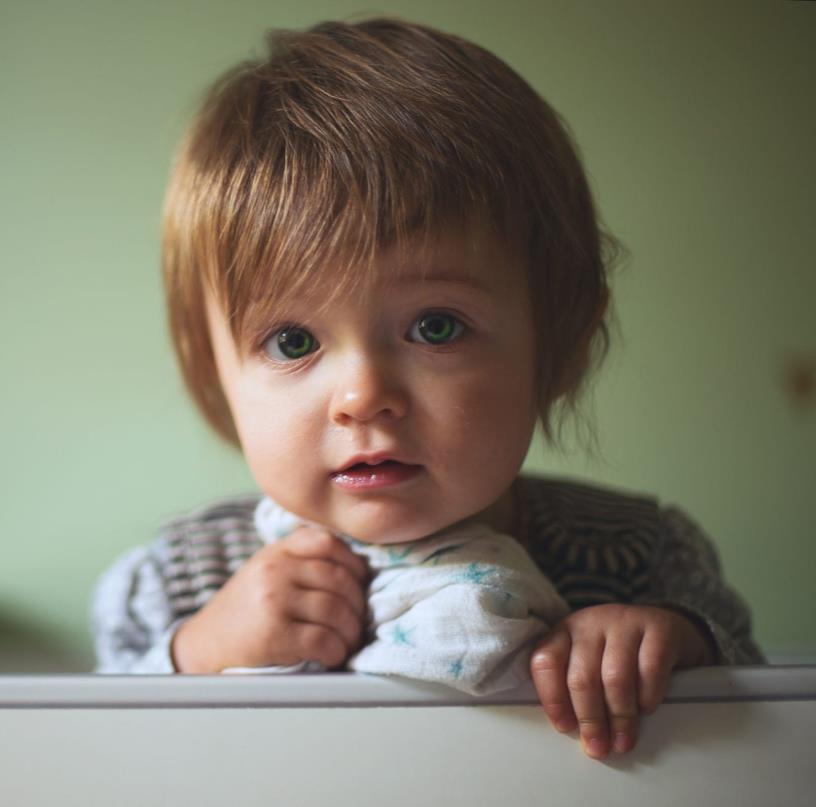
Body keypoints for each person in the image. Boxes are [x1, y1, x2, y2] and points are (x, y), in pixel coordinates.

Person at [91, 17, 763, 759]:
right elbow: (93, 745)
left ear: (560, 340)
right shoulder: (178, 578)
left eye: (436, 327)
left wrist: (675, 646)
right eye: (293, 342)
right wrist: (194, 656)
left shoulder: (637, 557)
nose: (363, 397)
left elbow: (764, 726)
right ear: (211, 369)